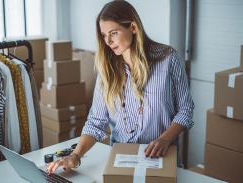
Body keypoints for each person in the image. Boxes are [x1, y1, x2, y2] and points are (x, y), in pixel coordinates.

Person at [47, 0, 194, 173]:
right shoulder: (107, 70)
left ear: (132, 27)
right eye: (104, 35)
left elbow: (186, 109)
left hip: (161, 158)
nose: (108, 41)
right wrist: (76, 156)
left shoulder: (169, 58)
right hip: (121, 161)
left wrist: (165, 139)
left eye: (113, 33)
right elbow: (96, 122)